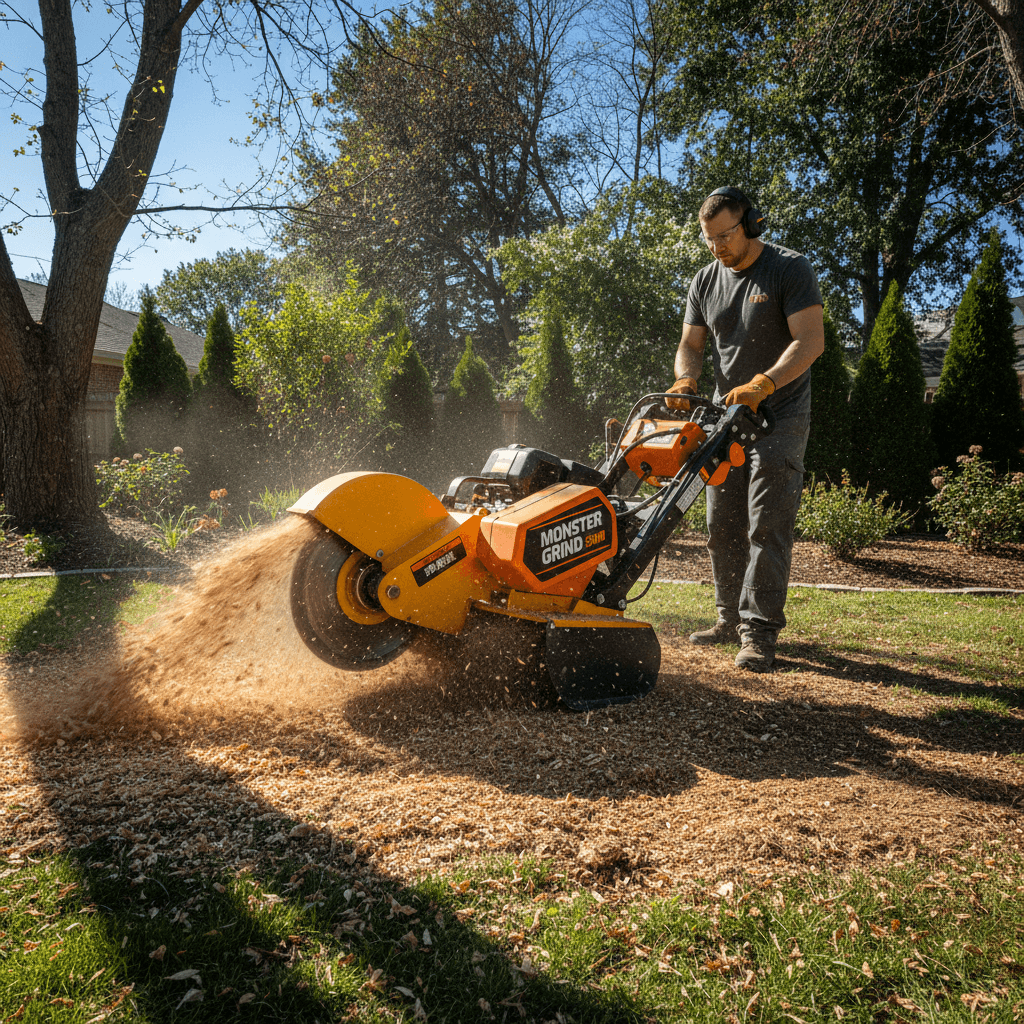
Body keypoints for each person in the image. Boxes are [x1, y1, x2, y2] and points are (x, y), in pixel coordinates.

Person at [667, 187, 824, 673]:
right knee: (720, 524)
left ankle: (758, 633)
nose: (718, 248)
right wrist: (685, 375)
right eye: (708, 239)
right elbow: (691, 343)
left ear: (751, 223)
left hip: (780, 416)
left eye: (726, 236)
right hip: (724, 418)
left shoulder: (788, 268)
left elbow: (811, 341)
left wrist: (764, 382)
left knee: (767, 525)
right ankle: (728, 618)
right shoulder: (705, 280)